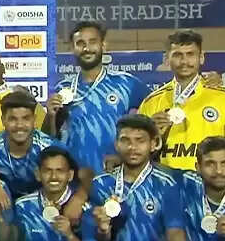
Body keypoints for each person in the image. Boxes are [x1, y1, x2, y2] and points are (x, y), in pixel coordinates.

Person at [45, 21, 149, 182]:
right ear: (72, 48)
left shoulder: (127, 84)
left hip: (116, 178)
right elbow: (50, 139)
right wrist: (50, 116)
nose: (87, 48)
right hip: (76, 180)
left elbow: (152, 121)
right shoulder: (63, 89)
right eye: (80, 43)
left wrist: (125, 156)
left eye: (92, 42)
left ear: (103, 45)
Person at [138, 30, 225, 175]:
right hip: (166, 184)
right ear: (167, 59)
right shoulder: (151, 102)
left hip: (209, 184)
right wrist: (152, 136)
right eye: (177, 55)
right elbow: (139, 157)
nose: (184, 62)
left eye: (190, 54)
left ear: (201, 57)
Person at [0, 90, 84, 199]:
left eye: (26, 118)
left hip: (41, 205)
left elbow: (82, 176)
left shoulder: (50, 147)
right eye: (13, 119)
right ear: (3, 120)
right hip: (1, 203)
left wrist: (77, 200)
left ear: (34, 120)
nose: (19, 125)